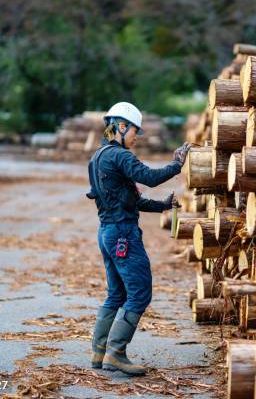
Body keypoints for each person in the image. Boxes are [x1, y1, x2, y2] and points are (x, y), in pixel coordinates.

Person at [86, 102, 191, 376]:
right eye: (134, 130)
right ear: (121, 126)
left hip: (107, 233)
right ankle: (116, 353)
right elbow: (150, 177)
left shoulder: (98, 158)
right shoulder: (121, 156)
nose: (136, 136)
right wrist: (177, 164)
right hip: (123, 235)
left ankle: (99, 353)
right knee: (140, 293)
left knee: (117, 294)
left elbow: (129, 200)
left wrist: (162, 206)